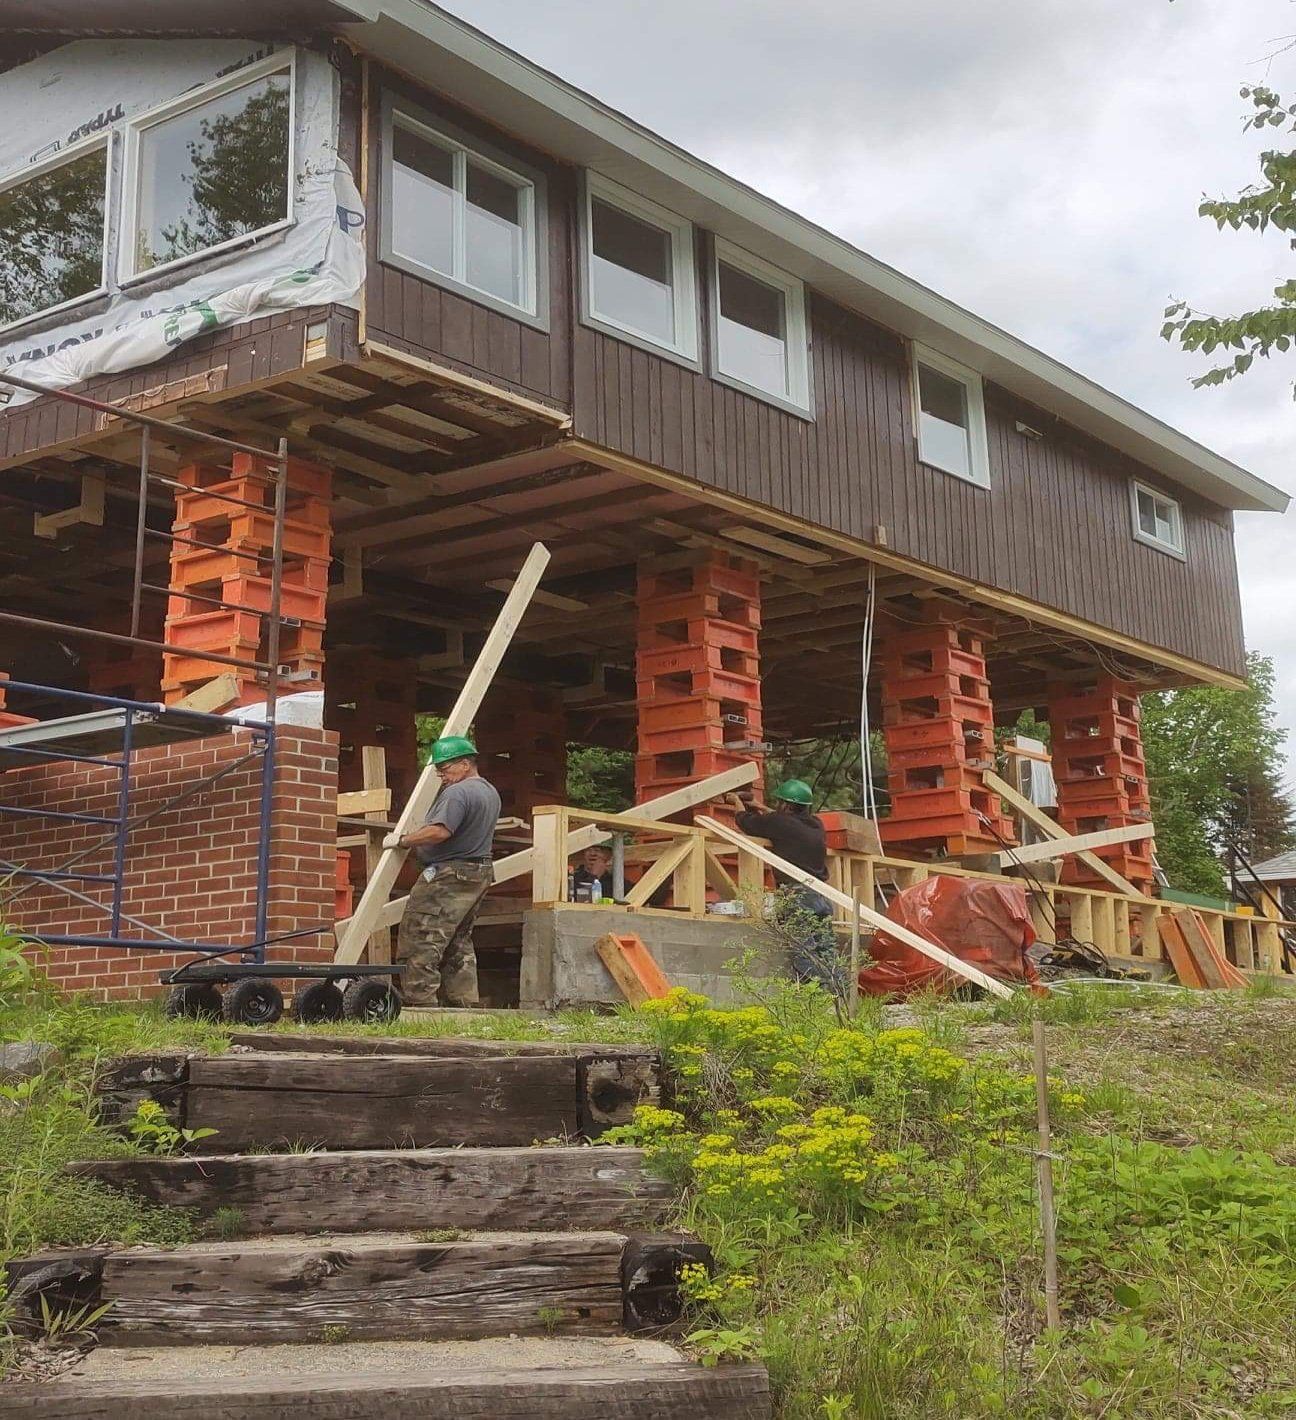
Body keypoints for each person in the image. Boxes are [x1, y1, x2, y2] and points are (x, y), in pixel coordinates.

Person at [386, 736, 500, 1007]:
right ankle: (464, 1002)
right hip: (478, 872)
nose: (441, 775)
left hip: (450, 872)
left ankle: (420, 1001)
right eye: (438, 770)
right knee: (458, 939)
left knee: (421, 934)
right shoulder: (489, 792)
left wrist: (403, 841)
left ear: (464, 763)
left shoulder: (458, 793)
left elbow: (440, 830)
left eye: (445, 768)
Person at [725, 779, 842, 991]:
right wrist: (761, 807)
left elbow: (745, 821)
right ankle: (840, 992)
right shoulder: (816, 824)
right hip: (819, 895)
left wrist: (735, 801)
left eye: (780, 803)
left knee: (802, 948)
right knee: (826, 948)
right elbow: (786, 821)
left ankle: (818, 993)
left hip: (797, 896)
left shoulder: (779, 823)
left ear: (786, 806)